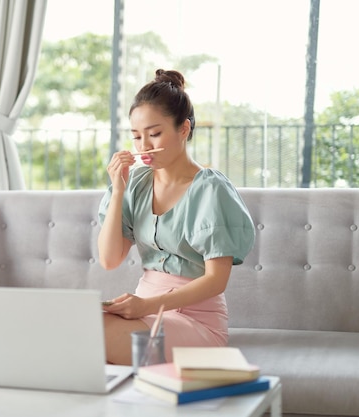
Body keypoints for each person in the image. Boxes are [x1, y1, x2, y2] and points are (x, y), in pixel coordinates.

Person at [97, 69, 256, 365]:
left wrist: (146, 305)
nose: (144, 146)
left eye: (154, 133)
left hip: (197, 322)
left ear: (183, 129)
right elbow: (109, 260)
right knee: (75, 325)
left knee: (92, 336)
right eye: (136, 136)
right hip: (145, 311)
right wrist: (118, 190)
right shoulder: (137, 183)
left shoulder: (211, 190)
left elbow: (215, 281)